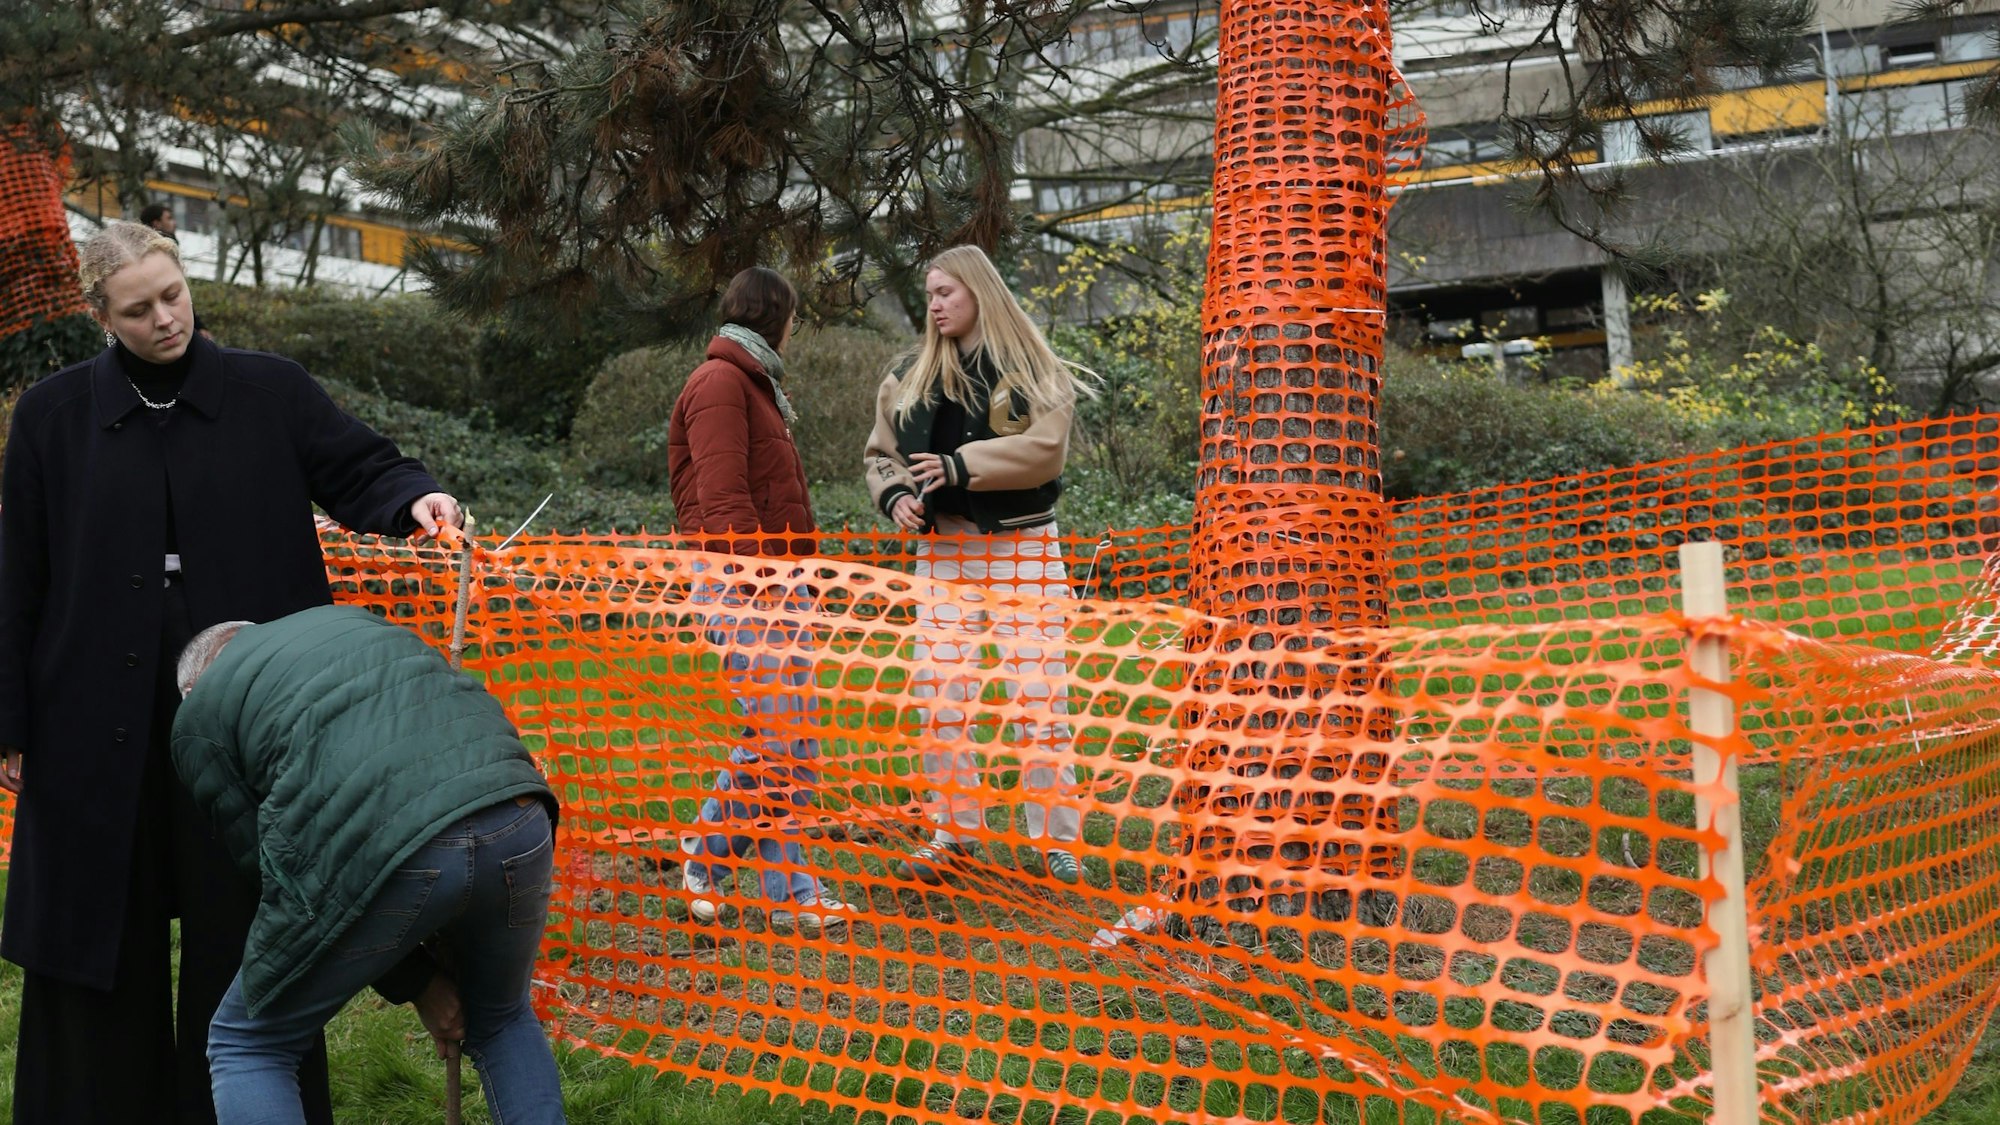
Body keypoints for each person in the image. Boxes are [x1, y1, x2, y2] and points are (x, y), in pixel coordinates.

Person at [0, 220, 463, 1124]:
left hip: (249, 717)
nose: (166, 318)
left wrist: (416, 498)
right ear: (102, 316)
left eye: (173, 294)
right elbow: (17, 576)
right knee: (96, 934)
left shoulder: (270, 390)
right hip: (92, 720)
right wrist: (8, 721)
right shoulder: (51, 418)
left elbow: (359, 464)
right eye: (138, 309)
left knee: (249, 925)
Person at [172, 606, 564, 1125]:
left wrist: (415, 983)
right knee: (502, 1017)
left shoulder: (200, 715)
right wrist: (426, 976)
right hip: (519, 809)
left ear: (194, 687)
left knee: (248, 1042)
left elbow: (274, 870)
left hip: (392, 840)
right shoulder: (348, 622)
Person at [863, 244, 1097, 887]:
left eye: (947, 293)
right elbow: (880, 454)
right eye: (931, 294)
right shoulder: (907, 374)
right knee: (939, 695)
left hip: (1022, 550)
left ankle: (1056, 839)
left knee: (1038, 697)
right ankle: (952, 831)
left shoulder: (1033, 369)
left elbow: (1045, 451)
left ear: (979, 293)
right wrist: (898, 498)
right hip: (942, 554)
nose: (934, 305)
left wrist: (961, 467)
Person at [666, 266, 847, 934]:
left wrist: (799, 582)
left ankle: (790, 893)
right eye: (795, 318)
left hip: (778, 585)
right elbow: (724, 497)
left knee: (791, 742)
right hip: (746, 586)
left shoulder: (756, 383)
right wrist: (762, 583)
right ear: (780, 317)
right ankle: (707, 852)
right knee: (778, 741)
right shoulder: (720, 383)